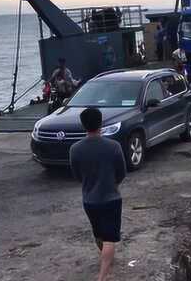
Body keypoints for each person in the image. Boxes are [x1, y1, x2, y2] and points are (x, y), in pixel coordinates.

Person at [70, 108, 126, 281]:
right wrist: (113, 184)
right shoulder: (114, 146)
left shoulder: (75, 149)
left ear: (83, 125)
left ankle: (106, 258)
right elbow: (122, 172)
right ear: (101, 123)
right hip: (111, 198)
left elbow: (76, 175)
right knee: (110, 238)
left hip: (89, 200)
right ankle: (102, 276)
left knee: (98, 234)